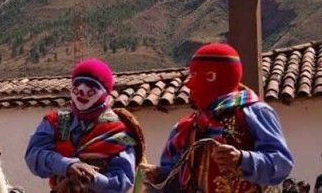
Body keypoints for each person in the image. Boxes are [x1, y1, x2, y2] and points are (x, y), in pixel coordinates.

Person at [140, 43, 294, 192]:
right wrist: (161, 175)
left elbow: (282, 164)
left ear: (213, 77)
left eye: (195, 75)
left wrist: (242, 159)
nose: (189, 84)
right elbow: (175, 177)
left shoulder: (255, 113)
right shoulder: (185, 127)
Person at [25, 58, 142, 193]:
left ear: (104, 94)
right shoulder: (58, 121)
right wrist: (67, 165)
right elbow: (34, 155)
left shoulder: (118, 132)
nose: (81, 95)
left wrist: (92, 178)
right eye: (77, 88)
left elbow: (123, 179)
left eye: (90, 90)